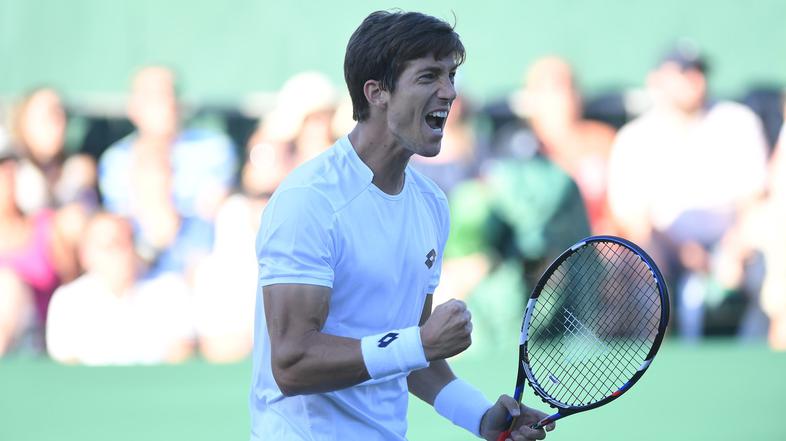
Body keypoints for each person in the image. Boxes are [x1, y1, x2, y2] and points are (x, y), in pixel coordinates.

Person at [250, 11, 556, 441]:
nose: (449, 92)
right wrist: (420, 343)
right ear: (376, 92)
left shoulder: (431, 204)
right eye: (429, 76)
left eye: (451, 76)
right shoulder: (308, 201)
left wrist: (481, 416)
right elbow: (292, 363)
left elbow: (409, 357)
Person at [607, 41, 769, 339]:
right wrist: (682, 253)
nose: (696, 81)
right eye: (684, 72)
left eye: (699, 71)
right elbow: (634, 220)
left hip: (732, 249)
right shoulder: (634, 138)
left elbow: (755, 202)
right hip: (664, 254)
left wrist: (733, 250)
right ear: (657, 80)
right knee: (635, 261)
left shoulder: (738, 121)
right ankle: (658, 353)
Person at [98, 66, 238, 280]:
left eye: (172, 93)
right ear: (133, 108)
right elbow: (129, 226)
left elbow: (211, 209)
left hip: (206, 270)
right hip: (138, 274)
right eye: (155, 96)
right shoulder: (116, 159)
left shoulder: (213, 147)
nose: (168, 103)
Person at [46, 212, 194, 365]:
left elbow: (181, 356)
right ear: (85, 255)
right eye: (109, 245)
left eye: (126, 242)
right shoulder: (68, 301)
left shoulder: (170, 290)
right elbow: (67, 365)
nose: (119, 253)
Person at [0, 141, 78, 356]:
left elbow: (71, 286)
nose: (7, 179)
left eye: (10, 171)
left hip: (39, 344)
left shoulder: (47, 227)